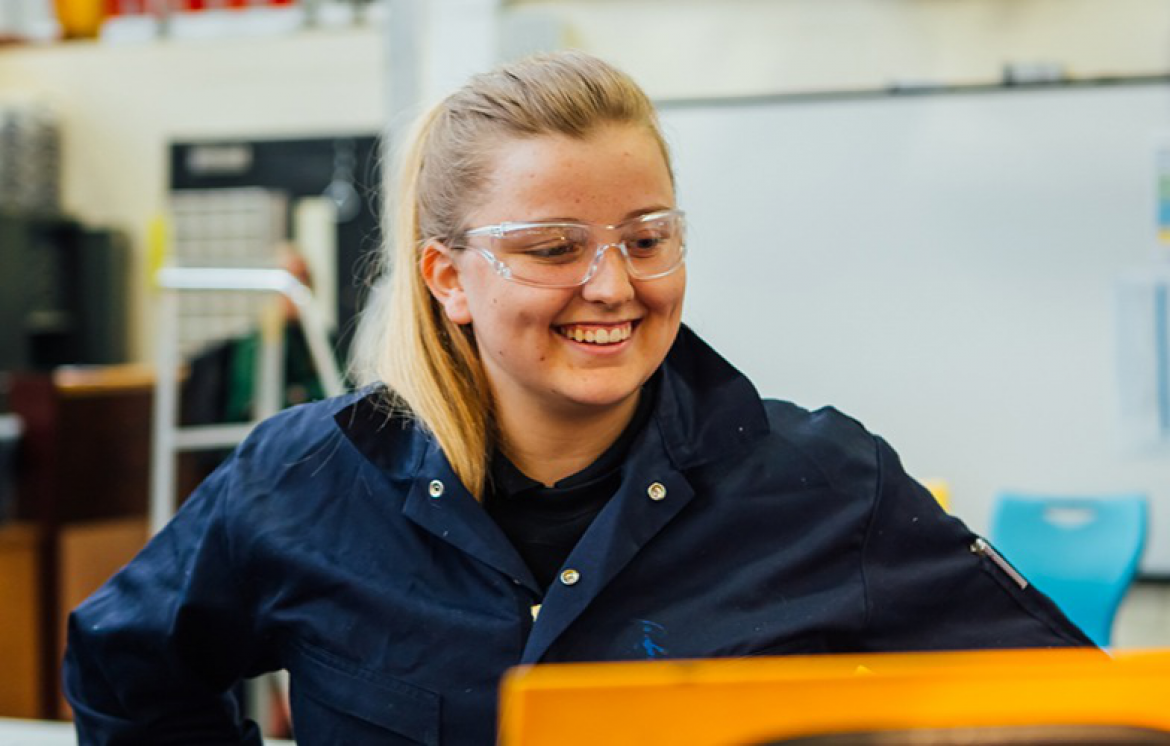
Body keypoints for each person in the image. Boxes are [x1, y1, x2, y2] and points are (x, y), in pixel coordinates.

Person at [64, 51, 1091, 745]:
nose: (612, 284)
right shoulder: (305, 482)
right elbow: (125, 665)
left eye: (646, 238)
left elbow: (1076, 708)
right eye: (553, 247)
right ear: (448, 278)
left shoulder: (827, 484)